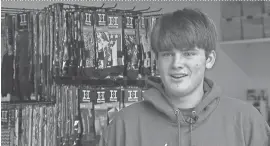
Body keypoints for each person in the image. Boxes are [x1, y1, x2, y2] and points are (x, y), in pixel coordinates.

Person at [99, 8, 270, 146]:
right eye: (167, 54)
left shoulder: (246, 121)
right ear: (156, 60)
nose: (176, 63)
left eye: (188, 53)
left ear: (209, 60)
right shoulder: (123, 125)